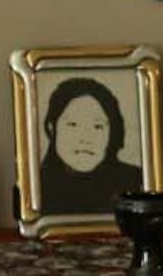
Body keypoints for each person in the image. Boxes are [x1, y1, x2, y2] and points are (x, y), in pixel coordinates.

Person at [36, 77, 143, 216]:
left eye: (97, 126)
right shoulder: (35, 187)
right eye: (72, 124)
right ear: (52, 128)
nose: (85, 139)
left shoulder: (135, 182)